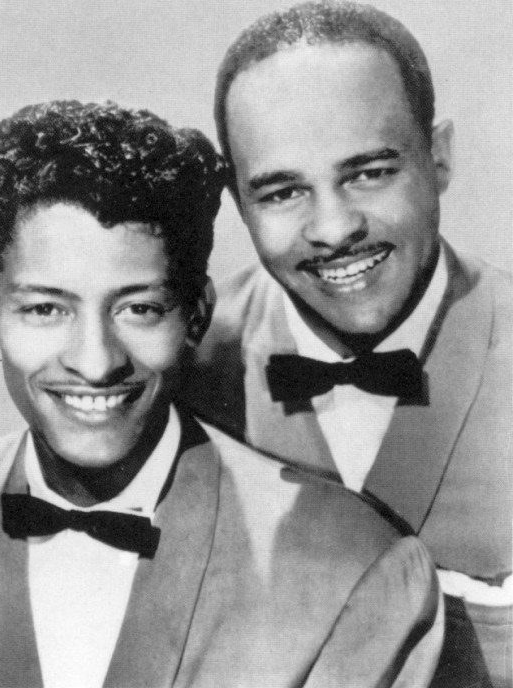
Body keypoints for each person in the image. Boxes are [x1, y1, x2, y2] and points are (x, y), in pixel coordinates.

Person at [0, 100, 443, 688]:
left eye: (139, 309)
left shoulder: (353, 569)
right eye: (45, 309)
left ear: (196, 315)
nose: (96, 362)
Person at [184, 2, 512, 687]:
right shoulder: (179, 375)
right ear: (238, 203)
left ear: (439, 157)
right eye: (282, 192)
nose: (333, 229)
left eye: (369, 173)